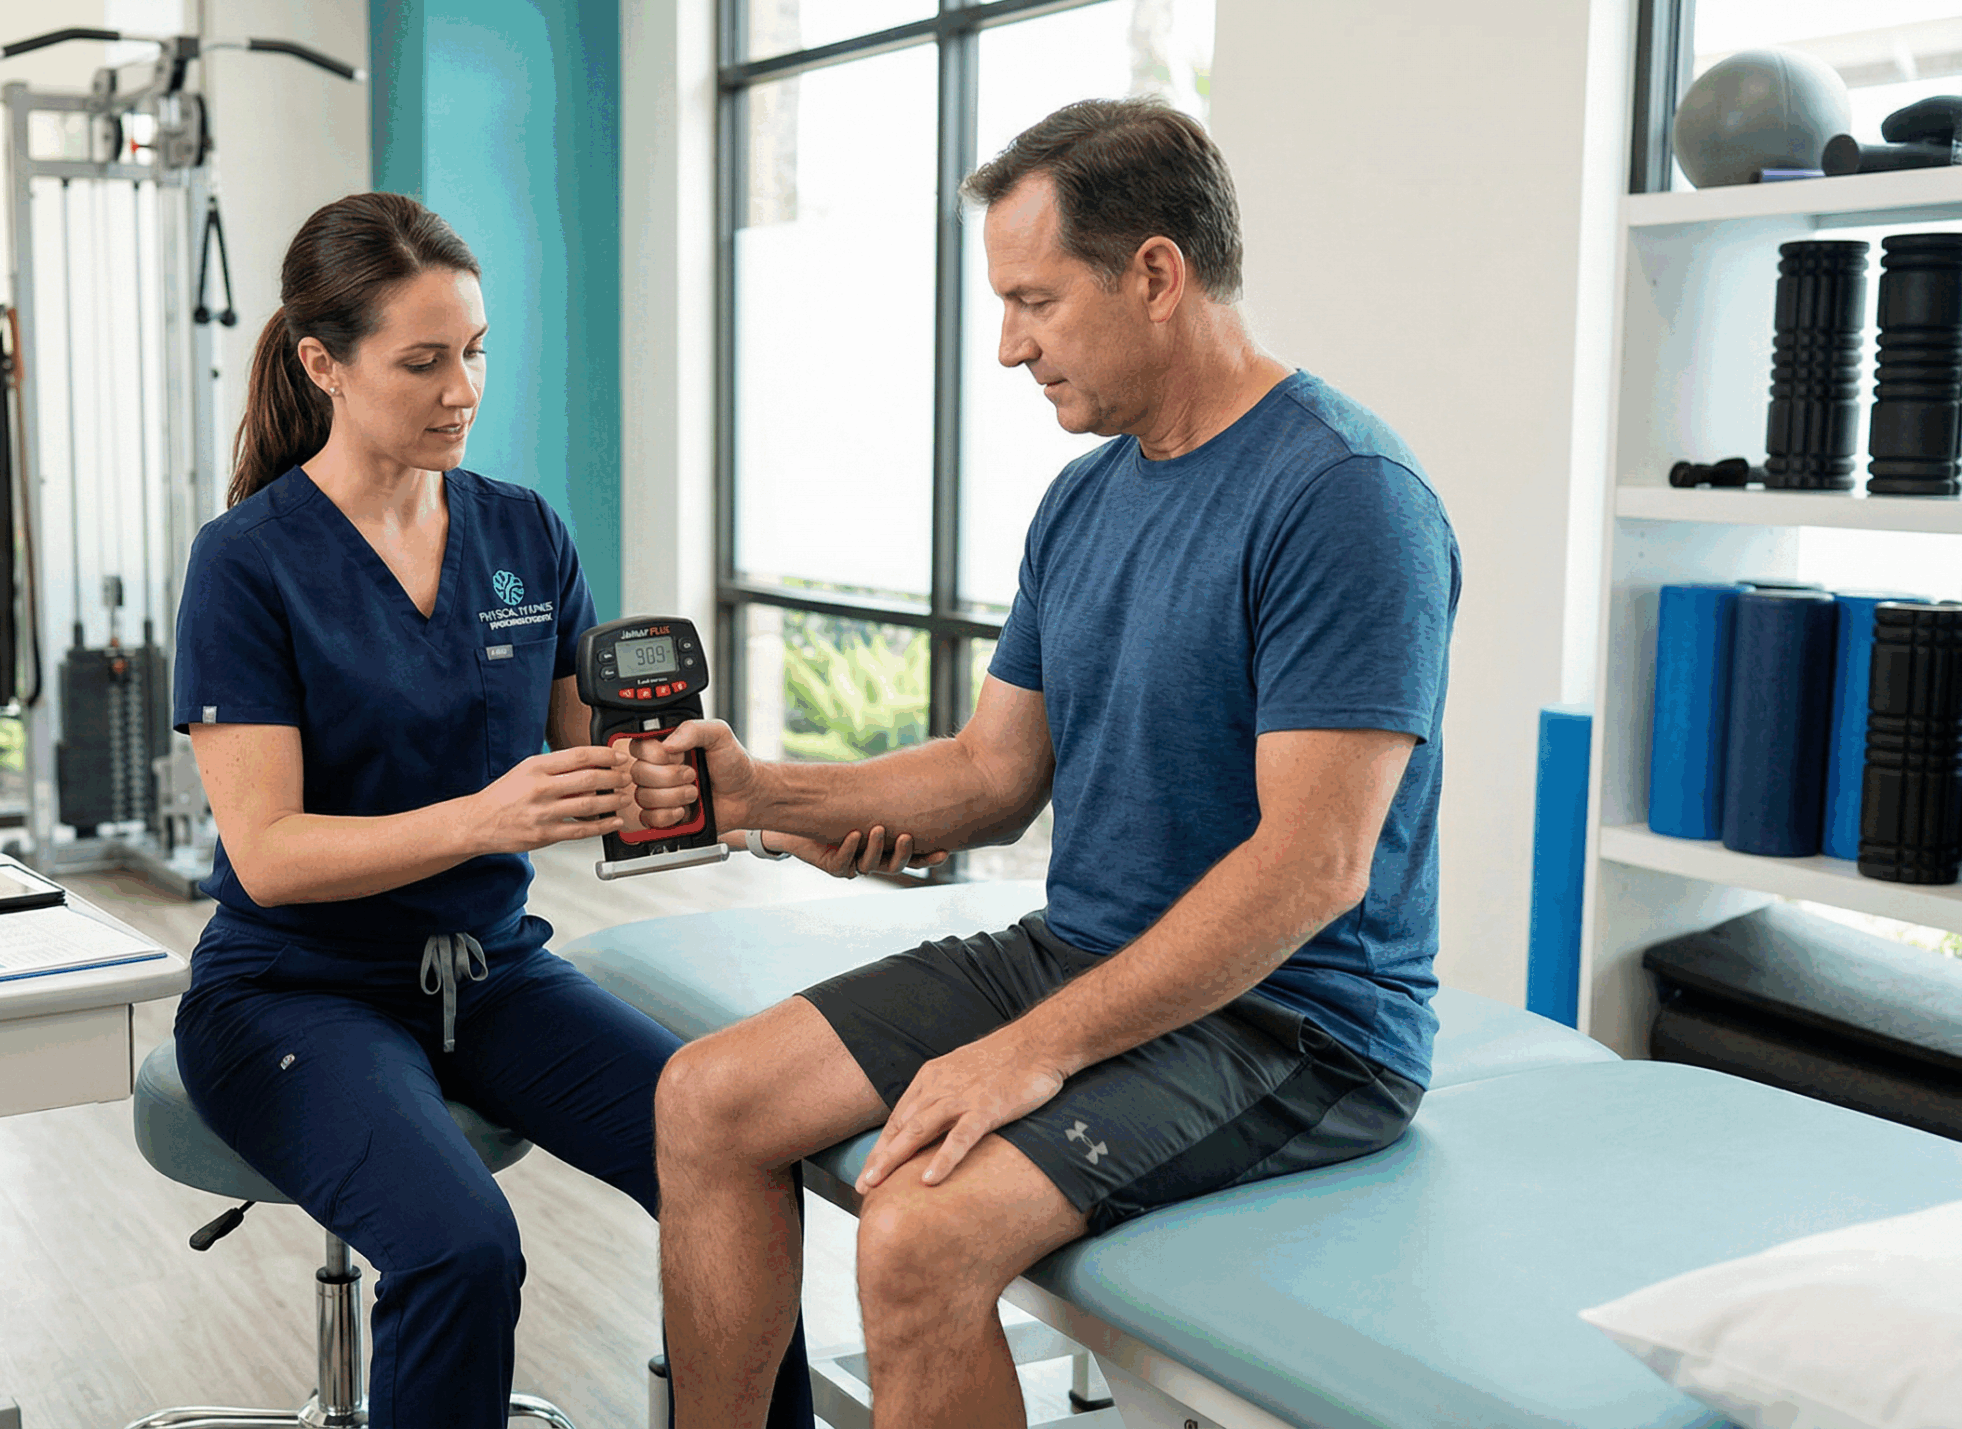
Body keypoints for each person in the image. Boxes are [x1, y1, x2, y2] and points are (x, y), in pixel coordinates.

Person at [638, 98, 1464, 1427]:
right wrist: (758, 794)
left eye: (1034, 299)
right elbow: (988, 775)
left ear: (1154, 273)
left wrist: (1028, 1053)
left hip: (1298, 1024)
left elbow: (1314, 865)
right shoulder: (1088, 495)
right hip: (1086, 949)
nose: (1009, 344)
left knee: (913, 1230)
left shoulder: (1346, 496)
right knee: (709, 1097)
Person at [167, 192, 822, 1426]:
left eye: (473, 351)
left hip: (491, 974)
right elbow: (272, 855)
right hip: (292, 991)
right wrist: (482, 817)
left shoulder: (523, 530)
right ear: (324, 364)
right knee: (462, 1244)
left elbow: (590, 752)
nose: (460, 386)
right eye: (421, 361)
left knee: (733, 1166)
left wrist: (677, 775)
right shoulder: (246, 563)